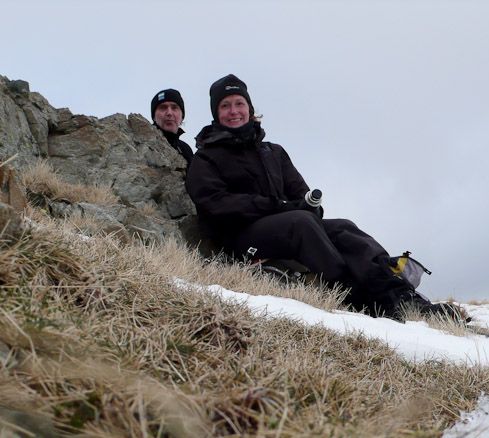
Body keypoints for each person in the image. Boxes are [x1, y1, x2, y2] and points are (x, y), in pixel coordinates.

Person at [185, 74, 465, 322]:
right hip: (240, 239)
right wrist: (278, 207)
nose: (234, 111)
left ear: (249, 108)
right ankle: (359, 300)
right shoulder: (206, 157)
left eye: (239, 103)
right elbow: (216, 205)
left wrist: (309, 206)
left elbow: (301, 195)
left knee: (343, 227)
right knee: (301, 223)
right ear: (216, 113)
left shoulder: (272, 152)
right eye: (225, 106)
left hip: (287, 224)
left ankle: (401, 296)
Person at [150, 88, 193, 166]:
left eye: (174, 108)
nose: (169, 113)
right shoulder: (144, 143)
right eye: (163, 108)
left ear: (182, 117)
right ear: (154, 117)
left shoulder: (186, 150)